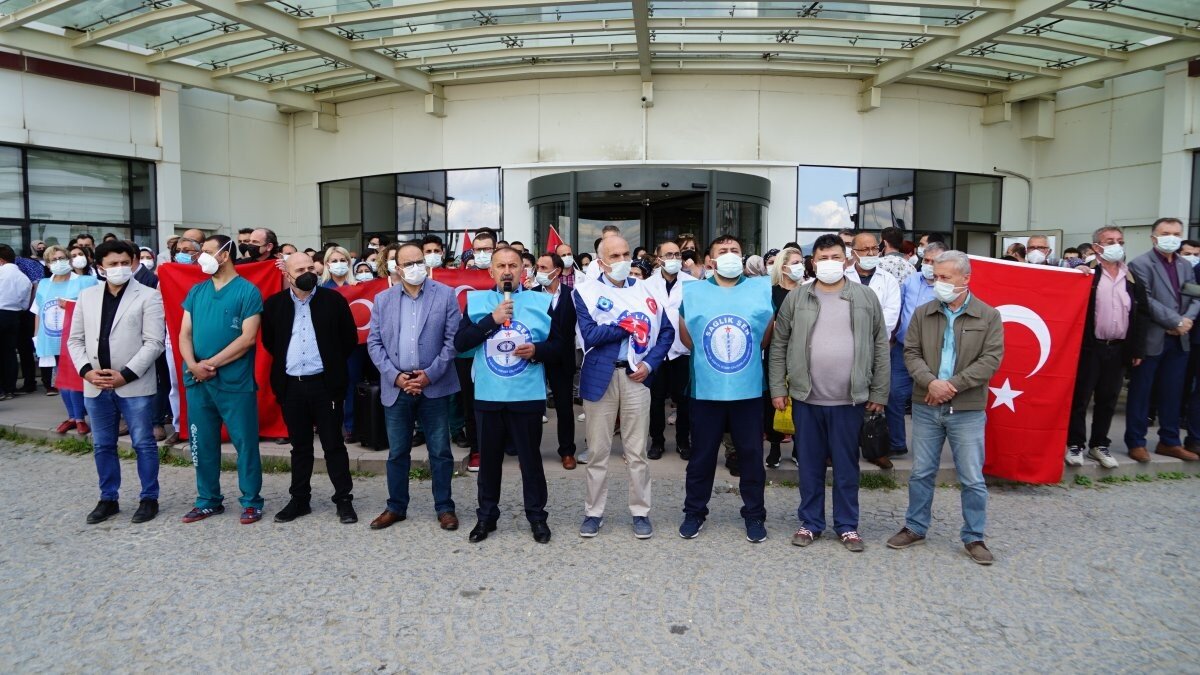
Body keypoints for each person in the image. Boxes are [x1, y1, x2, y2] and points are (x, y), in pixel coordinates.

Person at [770, 234, 888, 553]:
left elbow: (880, 345)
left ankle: (847, 525)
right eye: (823, 258)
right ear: (814, 262)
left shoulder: (865, 297)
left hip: (849, 399)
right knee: (809, 465)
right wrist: (778, 387)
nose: (829, 263)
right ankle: (810, 522)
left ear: (846, 259)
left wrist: (879, 391)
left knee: (847, 466)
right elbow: (779, 345)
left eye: (835, 257)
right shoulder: (798, 298)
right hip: (807, 398)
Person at [889, 250, 1004, 565]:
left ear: (965, 278)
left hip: (966, 408)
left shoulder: (988, 316)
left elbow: (991, 360)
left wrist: (950, 386)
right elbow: (910, 352)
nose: (937, 282)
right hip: (926, 405)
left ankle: (974, 537)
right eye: (935, 276)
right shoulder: (923, 313)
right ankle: (915, 527)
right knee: (921, 472)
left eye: (945, 277)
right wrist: (931, 383)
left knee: (972, 477)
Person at [454, 246, 565, 544]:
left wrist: (537, 350)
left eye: (513, 265)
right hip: (489, 396)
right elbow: (460, 344)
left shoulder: (541, 302)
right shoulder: (477, 302)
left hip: (526, 396)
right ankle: (486, 517)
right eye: (501, 266)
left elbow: (560, 347)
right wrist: (490, 320)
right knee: (489, 462)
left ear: (523, 270)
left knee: (530, 462)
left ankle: (537, 518)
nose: (507, 271)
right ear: (491, 271)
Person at [573, 236, 673, 539]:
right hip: (600, 376)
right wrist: (626, 325)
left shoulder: (646, 290)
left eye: (626, 254)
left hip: (636, 376)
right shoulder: (586, 292)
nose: (622, 260)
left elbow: (666, 333)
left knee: (637, 451)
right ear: (601, 262)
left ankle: (641, 512)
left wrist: (650, 364)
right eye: (614, 256)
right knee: (598, 452)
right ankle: (593, 512)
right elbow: (590, 335)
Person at [678, 235, 774, 543]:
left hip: (748, 389)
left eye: (735, 250)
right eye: (723, 251)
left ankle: (755, 514)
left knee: (751, 454)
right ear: (710, 260)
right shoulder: (694, 292)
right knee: (702, 455)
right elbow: (688, 337)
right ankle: (694, 512)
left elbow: (765, 338)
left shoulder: (760, 290)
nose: (730, 254)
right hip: (706, 389)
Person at [364, 242, 462, 531]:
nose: (416, 267)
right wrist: (395, 376)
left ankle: (444, 507)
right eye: (409, 263)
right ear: (397, 268)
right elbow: (374, 342)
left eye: (420, 261)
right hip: (397, 386)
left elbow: (452, 341)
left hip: (434, 385)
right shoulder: (383, 299)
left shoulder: (445, 295)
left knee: (440, 451)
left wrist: (429, 375)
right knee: (397, 452)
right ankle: (396, 506)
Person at [67, 240, 165, 525]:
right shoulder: (87, 296)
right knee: (103, 445)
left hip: (134, 384)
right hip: (96, 383)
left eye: (125, 263)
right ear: (100, 267)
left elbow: (154, 342)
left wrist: (126, 374)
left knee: (143, 444)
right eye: (113, 264)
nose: (120, 268)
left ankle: (149, 498)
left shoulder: (148, 296)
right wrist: (87, 371)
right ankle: (108, 498)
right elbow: (75, 340)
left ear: (133, 263)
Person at [262, 252, 360, 525]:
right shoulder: (274, 305)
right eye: (300, 269)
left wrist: (332, 366)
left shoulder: (333, 300)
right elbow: (271, 342)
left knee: (333, 445)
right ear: (287, 274)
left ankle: (343, 499)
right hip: (291, 386)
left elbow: (348, 339)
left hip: (325, 385)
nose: (307, 273)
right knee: (300, 447)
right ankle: (299, 500)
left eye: (310, 267)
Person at [178, 235, 265, 524]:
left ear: (225, 255)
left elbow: (248, 339)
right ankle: (208, 500)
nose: (200, 256)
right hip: (198, 382)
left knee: (245, 443)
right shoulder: (196, 291)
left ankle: (251, 501)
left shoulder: (248, 291)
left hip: (234, 383)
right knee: (201, 443)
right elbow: (184, 334)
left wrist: (210, 364)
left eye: (206, 251)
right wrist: (193, 365)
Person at [1066, 227, 1147, 469]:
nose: (1116, 245)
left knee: (1108, 399)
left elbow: (1141, 315)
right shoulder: (1087, 274)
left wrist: (1137, 349)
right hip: (1090, 348)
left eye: (1120, 241)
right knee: (1080, 398)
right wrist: (1075, 273)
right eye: (1109, 241)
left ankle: (1099, 444)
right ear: (1096, 247)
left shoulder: (1131, 278)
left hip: (1119, 348)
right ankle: (1075, 444)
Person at [1125, 217, 1200, 462]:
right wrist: (1175, 322)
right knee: (1141, 392)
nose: (1172, 238)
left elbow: (1195, 296)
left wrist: (1186, 321)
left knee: (1173, 392)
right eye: (1166, 233)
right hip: (1152, 338)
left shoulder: (1185, 265)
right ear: (1154, 237)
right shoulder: (1140, 264)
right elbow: (1146, 300)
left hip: (1180, 339)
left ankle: (1169, 441)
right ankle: (1136, 442)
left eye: (1176, 234)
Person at [889, 242, 947, 460]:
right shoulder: (911, 281)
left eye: (934, 261)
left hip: (933, 352)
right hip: (903, 348)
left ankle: (929, 447)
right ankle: (896, 443)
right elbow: (899, 309)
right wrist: (891, 338)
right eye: (926, 260)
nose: (929, 265)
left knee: (930, 398)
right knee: (893, 393)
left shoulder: (946, 287)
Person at [33, 245, 99, 431]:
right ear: (47, 264)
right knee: (61, 378)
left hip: (76, 338)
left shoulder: (86, 281)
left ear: (69, 260)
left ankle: (79, 418)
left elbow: (94, 306)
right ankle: (72, 416)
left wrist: (70, 304)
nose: (58, 262)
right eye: (53, 260)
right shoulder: (44, 284)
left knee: (75, 377)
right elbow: (38, 311)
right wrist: (36, 337)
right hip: (51, 338)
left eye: (62, 258)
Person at [646, 240, 696, 461]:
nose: (674, 259)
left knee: (684, 400)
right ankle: (657, 441)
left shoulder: (692, 284)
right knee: (656, 400)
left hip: (683, 350)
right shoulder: (646, 285)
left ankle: (683, 441)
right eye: (669, 255)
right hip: (656, 352)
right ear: (659, 259)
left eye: (677, 255)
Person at [454, 229, 498, 472]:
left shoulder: (505, 274)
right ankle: (476, 449)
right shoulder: (458, 278)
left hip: (498, 350)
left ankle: (504, 443)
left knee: (501, 398)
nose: (482, 253)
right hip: (468, 352)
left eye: (487, 249)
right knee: (471, 403)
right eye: (478, 249)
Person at [535, 252, 579, 469]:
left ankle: (567, 451)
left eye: (544, 268)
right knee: (533, 408)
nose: (539, 272)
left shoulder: (573, 295)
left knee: (564, 408)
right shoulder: (531, 295)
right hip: (536, 358)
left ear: (557, 271)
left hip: (563, 360)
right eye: (538, 267)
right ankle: (530, 452)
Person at [765, 246, 805, 467]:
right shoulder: (770, 293)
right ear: (783, 266)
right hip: (776, 352)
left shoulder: (807, 291)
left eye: (802, 262)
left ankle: (799, 448)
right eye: (796, 262)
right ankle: (774, 447)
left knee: (800, 401)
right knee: (775, 400)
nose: (800, 266)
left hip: (802, 355)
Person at [0, 244, 32, 400]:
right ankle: (9, 389)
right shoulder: (24, 278)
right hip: (14, 315)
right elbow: (25, 304)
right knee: (9, 353)